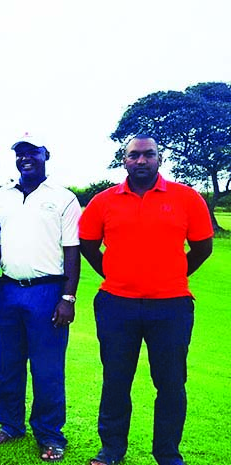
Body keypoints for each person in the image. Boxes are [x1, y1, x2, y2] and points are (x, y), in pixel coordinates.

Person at [79, 135, 213, 465]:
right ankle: (111, 449)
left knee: (170, 383)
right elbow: (88, 245)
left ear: (159, 159)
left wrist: (174, 274)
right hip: (116, 306)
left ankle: (167, 454)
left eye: (148, 155)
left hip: (171, 307)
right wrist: (113, 274)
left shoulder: (187, 198)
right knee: (116, 380)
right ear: (123, 160)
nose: (142, 161)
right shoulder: (104, 201)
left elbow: (202, 248)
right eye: (134, 155)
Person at [0, 133, 81, 462]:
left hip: (47, 290)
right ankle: (9, 424)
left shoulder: (64, 198)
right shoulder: (2, 196)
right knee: (6, 364)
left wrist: (68, 297)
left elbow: (72, 251)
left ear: (46, 155)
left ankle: (50, 433)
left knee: (47, 368)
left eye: (33, 152)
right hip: (7, 289)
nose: (26, 158)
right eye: (20, 153)